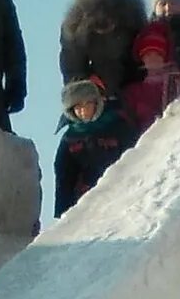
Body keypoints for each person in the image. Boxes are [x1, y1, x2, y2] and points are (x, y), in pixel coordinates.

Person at [56, 0, 146, 102]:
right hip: (96, 96)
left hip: (132, 90)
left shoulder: (128, 15)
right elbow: (73, 68)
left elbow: (141, 52)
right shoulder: (74, 28)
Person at [52, 78, 134, 214]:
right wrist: (63, 213)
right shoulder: (70, 138)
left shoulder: (117, 125)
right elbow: (64, 176)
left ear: (97, 103)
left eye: (87, 104)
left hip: (121, 191)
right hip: (88, 197)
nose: (83, 111)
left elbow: (135, 156)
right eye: (78, 107)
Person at [123, 21, 180, 132]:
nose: (153, 58)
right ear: (142, 58)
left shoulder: (176, 83)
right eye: (147, 54)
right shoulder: (133, 91)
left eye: (158, 54)